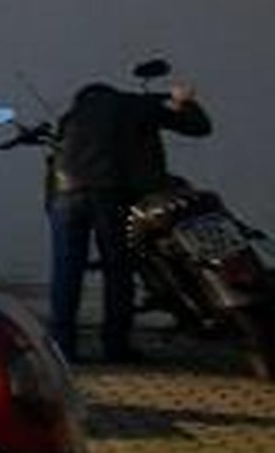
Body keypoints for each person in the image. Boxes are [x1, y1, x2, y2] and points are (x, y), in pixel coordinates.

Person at [45, 60, 215, 362]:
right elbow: (198, 128)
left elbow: (54, 162)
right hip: (110, 194)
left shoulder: (70, 118)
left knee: (66, 271)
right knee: (118, 269)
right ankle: (115, 346)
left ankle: (63, 348)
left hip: (65, 196)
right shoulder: (134, 104)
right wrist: (184, 102)